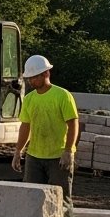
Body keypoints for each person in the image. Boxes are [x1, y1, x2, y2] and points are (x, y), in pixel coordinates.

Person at [11, 54, 79, 198]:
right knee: (31, 197)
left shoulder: (62, 96)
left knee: (60, 198)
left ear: (46, 73)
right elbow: (25, 126)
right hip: (34, 157)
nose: (31, 81)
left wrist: (68, 151)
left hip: (58, 156)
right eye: (30, 78)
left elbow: (73, 125)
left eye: (35, 77)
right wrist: (18, 151)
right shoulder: (29, 99)